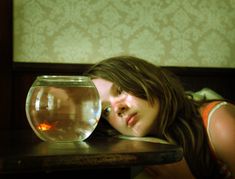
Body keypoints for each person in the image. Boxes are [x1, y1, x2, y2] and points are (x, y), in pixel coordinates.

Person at [84, 56, 235, 178]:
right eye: (106, 110)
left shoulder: (220, 122)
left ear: (145, 78)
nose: (117, 109)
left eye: (120, 90)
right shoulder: (138, 146)